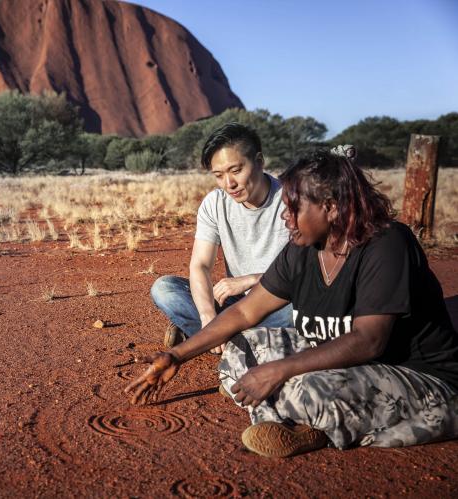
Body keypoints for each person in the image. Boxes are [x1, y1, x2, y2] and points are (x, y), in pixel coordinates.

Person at [126, 150, 458, 457]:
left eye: (294, 207)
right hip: (351, 365)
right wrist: (176, 356)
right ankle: (303, 420)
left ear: (331, 207)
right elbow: (244, 311)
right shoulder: (303, 249)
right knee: (239, 350)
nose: (286, 217)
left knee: (300, 387)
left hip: (419, 376)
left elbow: (369, 340)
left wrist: (277, 371)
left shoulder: (386, 244)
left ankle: (312, 426)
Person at [150, 123, 293, 353]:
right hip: (235, 305)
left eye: (236, 171)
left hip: (278, 302)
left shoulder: (291, 199)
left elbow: (308, 273)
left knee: (298, 312)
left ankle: (209, 338)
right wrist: (207, 316)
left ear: (259, 161)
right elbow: (201, 265)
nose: (229, 184)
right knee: (165, 289)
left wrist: (252, 279)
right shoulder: (215, 203)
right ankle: (234, 338)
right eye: (219, 175)